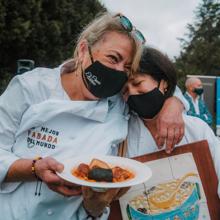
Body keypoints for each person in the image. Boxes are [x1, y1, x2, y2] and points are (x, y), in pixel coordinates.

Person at [0, 12, 186, 220]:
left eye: (126, 67)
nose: (117, 72)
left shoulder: (118, 102)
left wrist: (174, 103)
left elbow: (158, 83)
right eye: (112, 58)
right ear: (82, 50)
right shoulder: (31, 87)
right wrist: (34, 169)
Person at [123, 46, 220, 197]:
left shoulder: (196, 128)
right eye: (125, 90)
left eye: (137, 84)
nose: (132, 93)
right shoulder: (123, 135)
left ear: (164, 83)